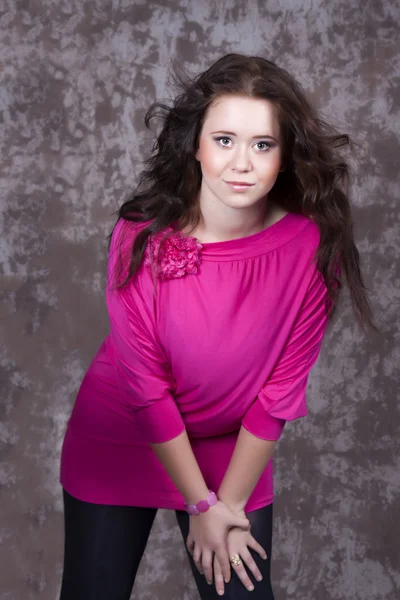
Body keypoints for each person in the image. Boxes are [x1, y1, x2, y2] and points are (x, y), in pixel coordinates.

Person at [59, 53, 375, 599]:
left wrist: (224, 504)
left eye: (262, 144)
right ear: (196, 146)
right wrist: (199, 503)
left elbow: (279, 394)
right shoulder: (139, 236)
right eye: (225, 140)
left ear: (284, 156)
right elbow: (145, 388)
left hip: (235, 455)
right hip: (124, 434)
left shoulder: (311, 246)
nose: (242, 163)